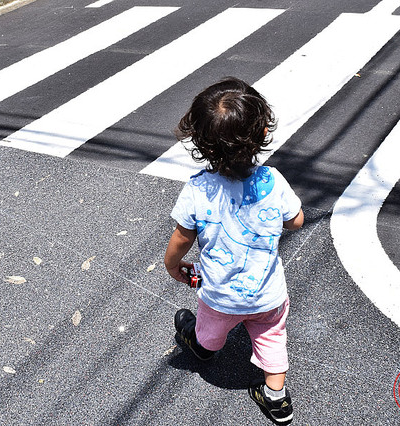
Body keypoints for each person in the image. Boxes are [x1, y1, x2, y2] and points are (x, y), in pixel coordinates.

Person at [164, 77, 304, 423]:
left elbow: (182, 238)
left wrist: (173, 265)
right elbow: (297, 221)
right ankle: (276, 398)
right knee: (272, 337)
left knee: (211, 329)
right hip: (269, 294)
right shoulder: (272, 180)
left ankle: (202, 348)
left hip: (220, 294)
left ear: (200, 142)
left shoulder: (199, 189)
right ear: (262, 132)